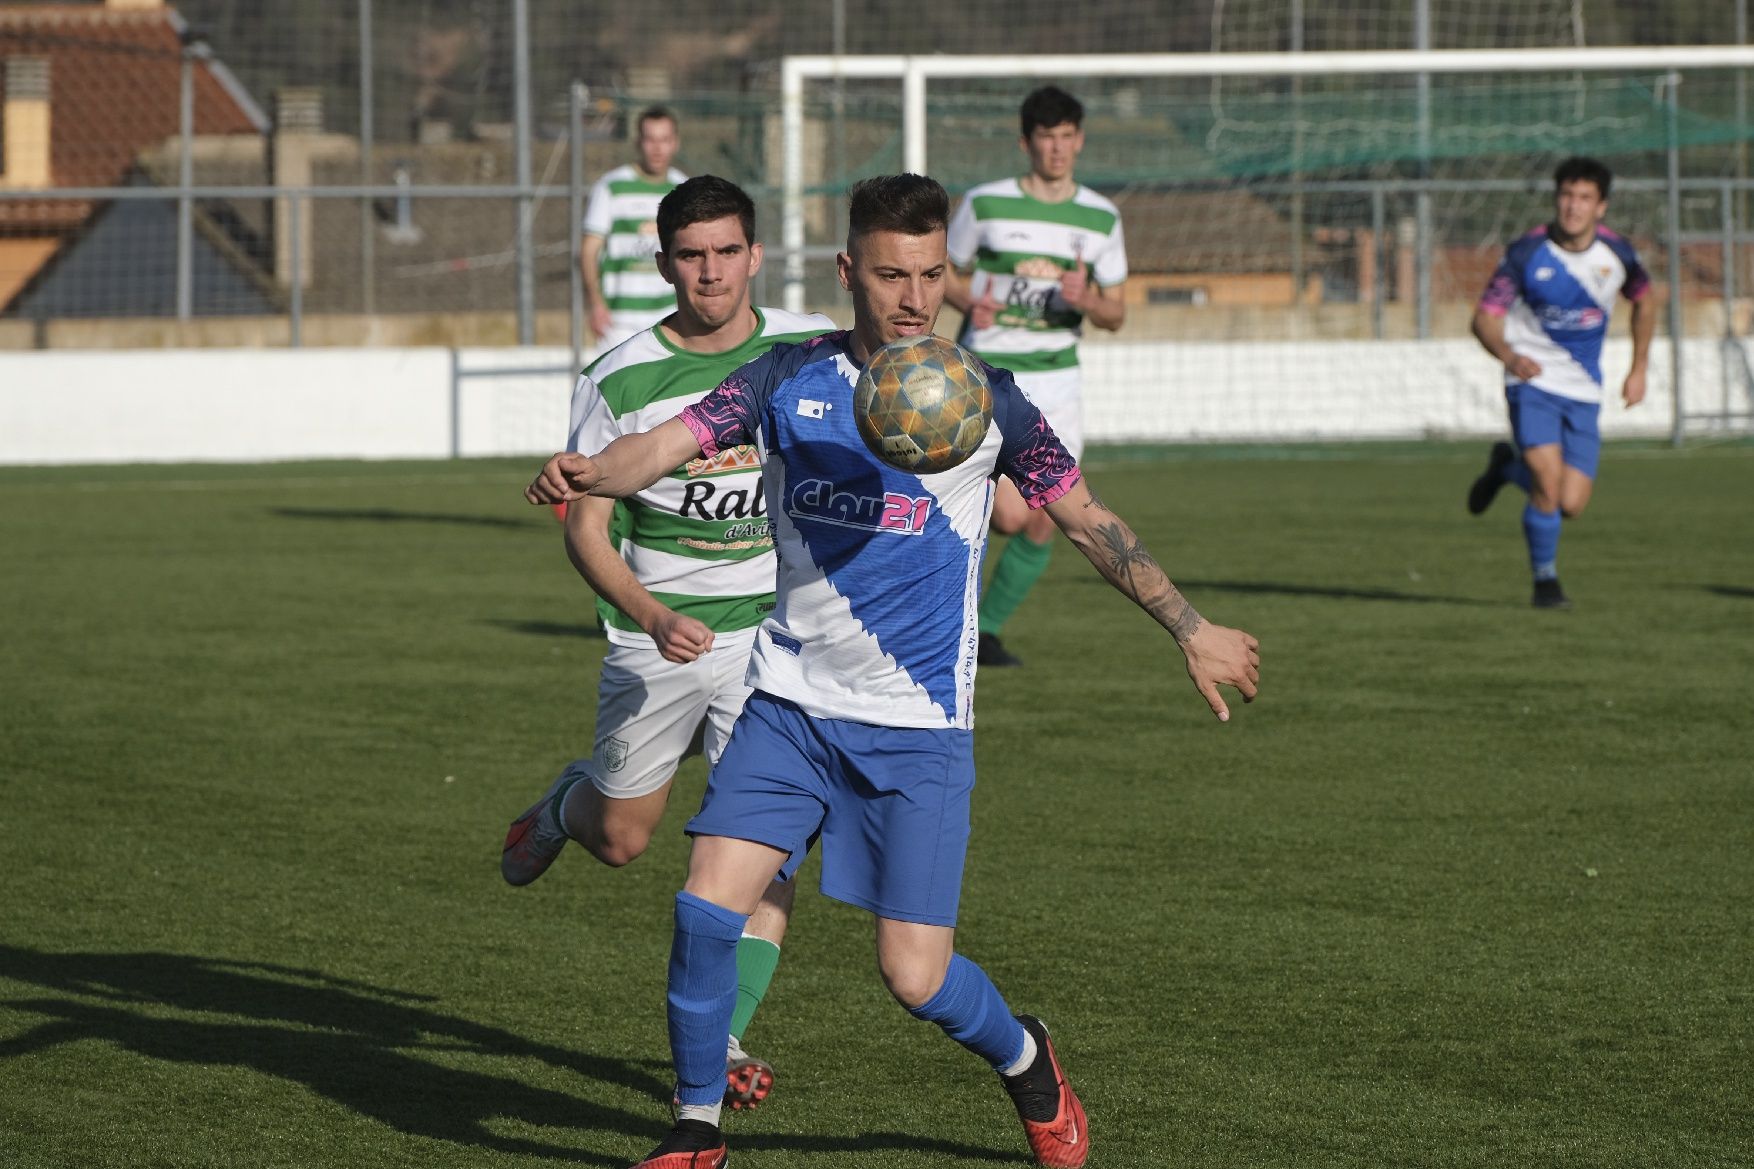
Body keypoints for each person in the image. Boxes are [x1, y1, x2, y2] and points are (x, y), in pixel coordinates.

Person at [526, 174, 1260, 1169]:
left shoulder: (984, 398)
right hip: (786, 706)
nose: (913, 296)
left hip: (914, 724)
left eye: (928, 273)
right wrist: (589, 472)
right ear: (847, 272)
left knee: (914, 974)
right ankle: (695, 1127)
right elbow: (664, 444)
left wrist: (1187, 622)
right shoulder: (786, 377)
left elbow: (1085, 517)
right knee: (705, 903)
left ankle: (1025, 1053)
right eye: (888, 274)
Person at [504, 175, 835, 1111]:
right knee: (621, 839)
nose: (711, 273)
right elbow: (583, 528)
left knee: (764, 850)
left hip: (775, 646)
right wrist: (652, 615)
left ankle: (724, 1037)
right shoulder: (619, 375)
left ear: (757, 255)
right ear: (663, 265)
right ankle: (567, 802)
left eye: (728, 251)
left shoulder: (807, 350)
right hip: (658, 639)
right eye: (692, 255)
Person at [945, 85, 1128, 667]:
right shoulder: (986, 203)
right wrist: (970, 298)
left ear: (1080, 141)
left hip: (1059, 382)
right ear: (1027, 143)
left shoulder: (1101, 216)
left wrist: (1088, 298)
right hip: (990, 376)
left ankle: (986, 632)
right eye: (1046, 137)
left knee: (1051, 517)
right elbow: (942, 272)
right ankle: (957, 627)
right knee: (1007, 514)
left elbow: (1117, 313)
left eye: (1067, 137)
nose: (1057, 149)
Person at [1466, 155, 1656, 609]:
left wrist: (1639, 368)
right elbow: (1484, 319)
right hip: (1532, 385)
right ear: (1556, 199)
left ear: (1601, 206)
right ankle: (1546, 584)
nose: (1573, 206)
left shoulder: (1619, 254)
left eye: (1584, 198)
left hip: (1584, 390)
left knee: (1571, 503)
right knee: (1548, 487)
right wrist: (1510, 355)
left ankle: (1505, 470)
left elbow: (1647, 302)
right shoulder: (1526, 253)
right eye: (1567, 195)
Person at [581, 106, 687, 352]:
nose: (658, 148)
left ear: (675, 143)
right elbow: (589, 251)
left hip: (670, 318)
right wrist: (595, 303)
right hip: (619, 323)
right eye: (650, 139)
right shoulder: (611, 187)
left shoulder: (683, 188)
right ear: (638, 142)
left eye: (664, 140)